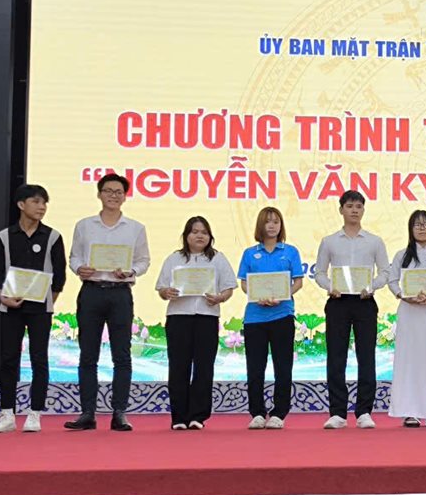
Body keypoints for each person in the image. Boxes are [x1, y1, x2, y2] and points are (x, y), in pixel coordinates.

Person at [65, 174, 150, 431]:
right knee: (87, 355)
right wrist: (80, 268)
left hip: (120, 293)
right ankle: (87, 413)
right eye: (108, 191)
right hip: (91, 291)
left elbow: (143, 260)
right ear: (99, 194)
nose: (113, 195)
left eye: (118, 192)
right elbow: (74, 256)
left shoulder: (135, 228)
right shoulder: (84, 225)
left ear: (125, 196)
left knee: (122, 356)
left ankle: (119, 413)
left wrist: (131, 271)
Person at [0, 184, 66, 433]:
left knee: (39, 359)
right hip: (10, 306)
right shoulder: (4, 237)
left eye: (44, 203)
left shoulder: (53, 237)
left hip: (40, 308)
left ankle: (35, 413)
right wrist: (3, 297)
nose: (41, 207)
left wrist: (48, 299)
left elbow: (59, 275)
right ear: (21, 204)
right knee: (8, 359)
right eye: (36, 201)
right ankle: (7, 414)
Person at [314, 190, 389, 430]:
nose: (354, 210)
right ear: (341, 210)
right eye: (349, 206)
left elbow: (385, 272)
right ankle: (337, 412)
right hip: (338, 302)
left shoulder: (375, 241)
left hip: (365, 302)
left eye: (358, 206)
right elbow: (319, 272)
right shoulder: (329, 241)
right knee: (336, 358)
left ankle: (364, 411)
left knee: (366, 357)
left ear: (363, 210)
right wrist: (330, 287)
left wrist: (372, 287)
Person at [155, 216, 237, 430]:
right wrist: (166, 292)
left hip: (207, 317)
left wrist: (220, 298)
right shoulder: (174, 258)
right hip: (178, 317)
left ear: (210, 236)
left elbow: (228, 288)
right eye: (195, 231)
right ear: (186, 235)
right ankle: (179, 417)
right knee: (178, 366)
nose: (200, 236)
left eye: (204, 232)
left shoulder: (218, 258)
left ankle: (197, 416)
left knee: (204, 367)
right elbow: (161, 288)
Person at [237, 207, 304, 430]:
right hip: (255, 318)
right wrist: (257, 296)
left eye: (276, 221)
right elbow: (244, 283)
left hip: (282, 315)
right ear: (261, 225)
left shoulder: (290, 251)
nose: (272, 225)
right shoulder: (249, 253)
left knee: (283, 367)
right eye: (268, 222)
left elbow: (298, 282)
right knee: (255, 368)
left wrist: (284, 295)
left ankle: (279, 413)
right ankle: (257, 412)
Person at [388, 210, 426, 428]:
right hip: (409, 312)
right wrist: (404, 296)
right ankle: (409, 411)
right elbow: (392, 281)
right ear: (410, 229)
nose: (422, 229)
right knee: (409, 360)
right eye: (417, 225)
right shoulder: (401, 255)